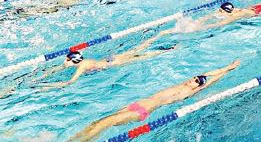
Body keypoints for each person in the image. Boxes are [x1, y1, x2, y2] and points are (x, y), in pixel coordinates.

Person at [57, 60, 239, 142]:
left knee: (104, 125)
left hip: (143, 110)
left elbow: (210, 78)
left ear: (199, 86)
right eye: (194, 77)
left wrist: (228, 69)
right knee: (97, 122)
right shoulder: (185, 84)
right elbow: (205, 73)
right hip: (137, 104)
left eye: (197, 81)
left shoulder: (189, 92)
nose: (193, 79)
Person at [37, 33, 176, 89]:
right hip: (111, 59)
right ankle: (160, 35)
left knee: (145, 55)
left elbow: (69, 82)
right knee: (140, 49)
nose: (64, 63)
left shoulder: (82, 66)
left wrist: (47, 86)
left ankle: (168, 50)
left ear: (72, 60)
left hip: (114, 62)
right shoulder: (83, 62)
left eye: (66, 61)